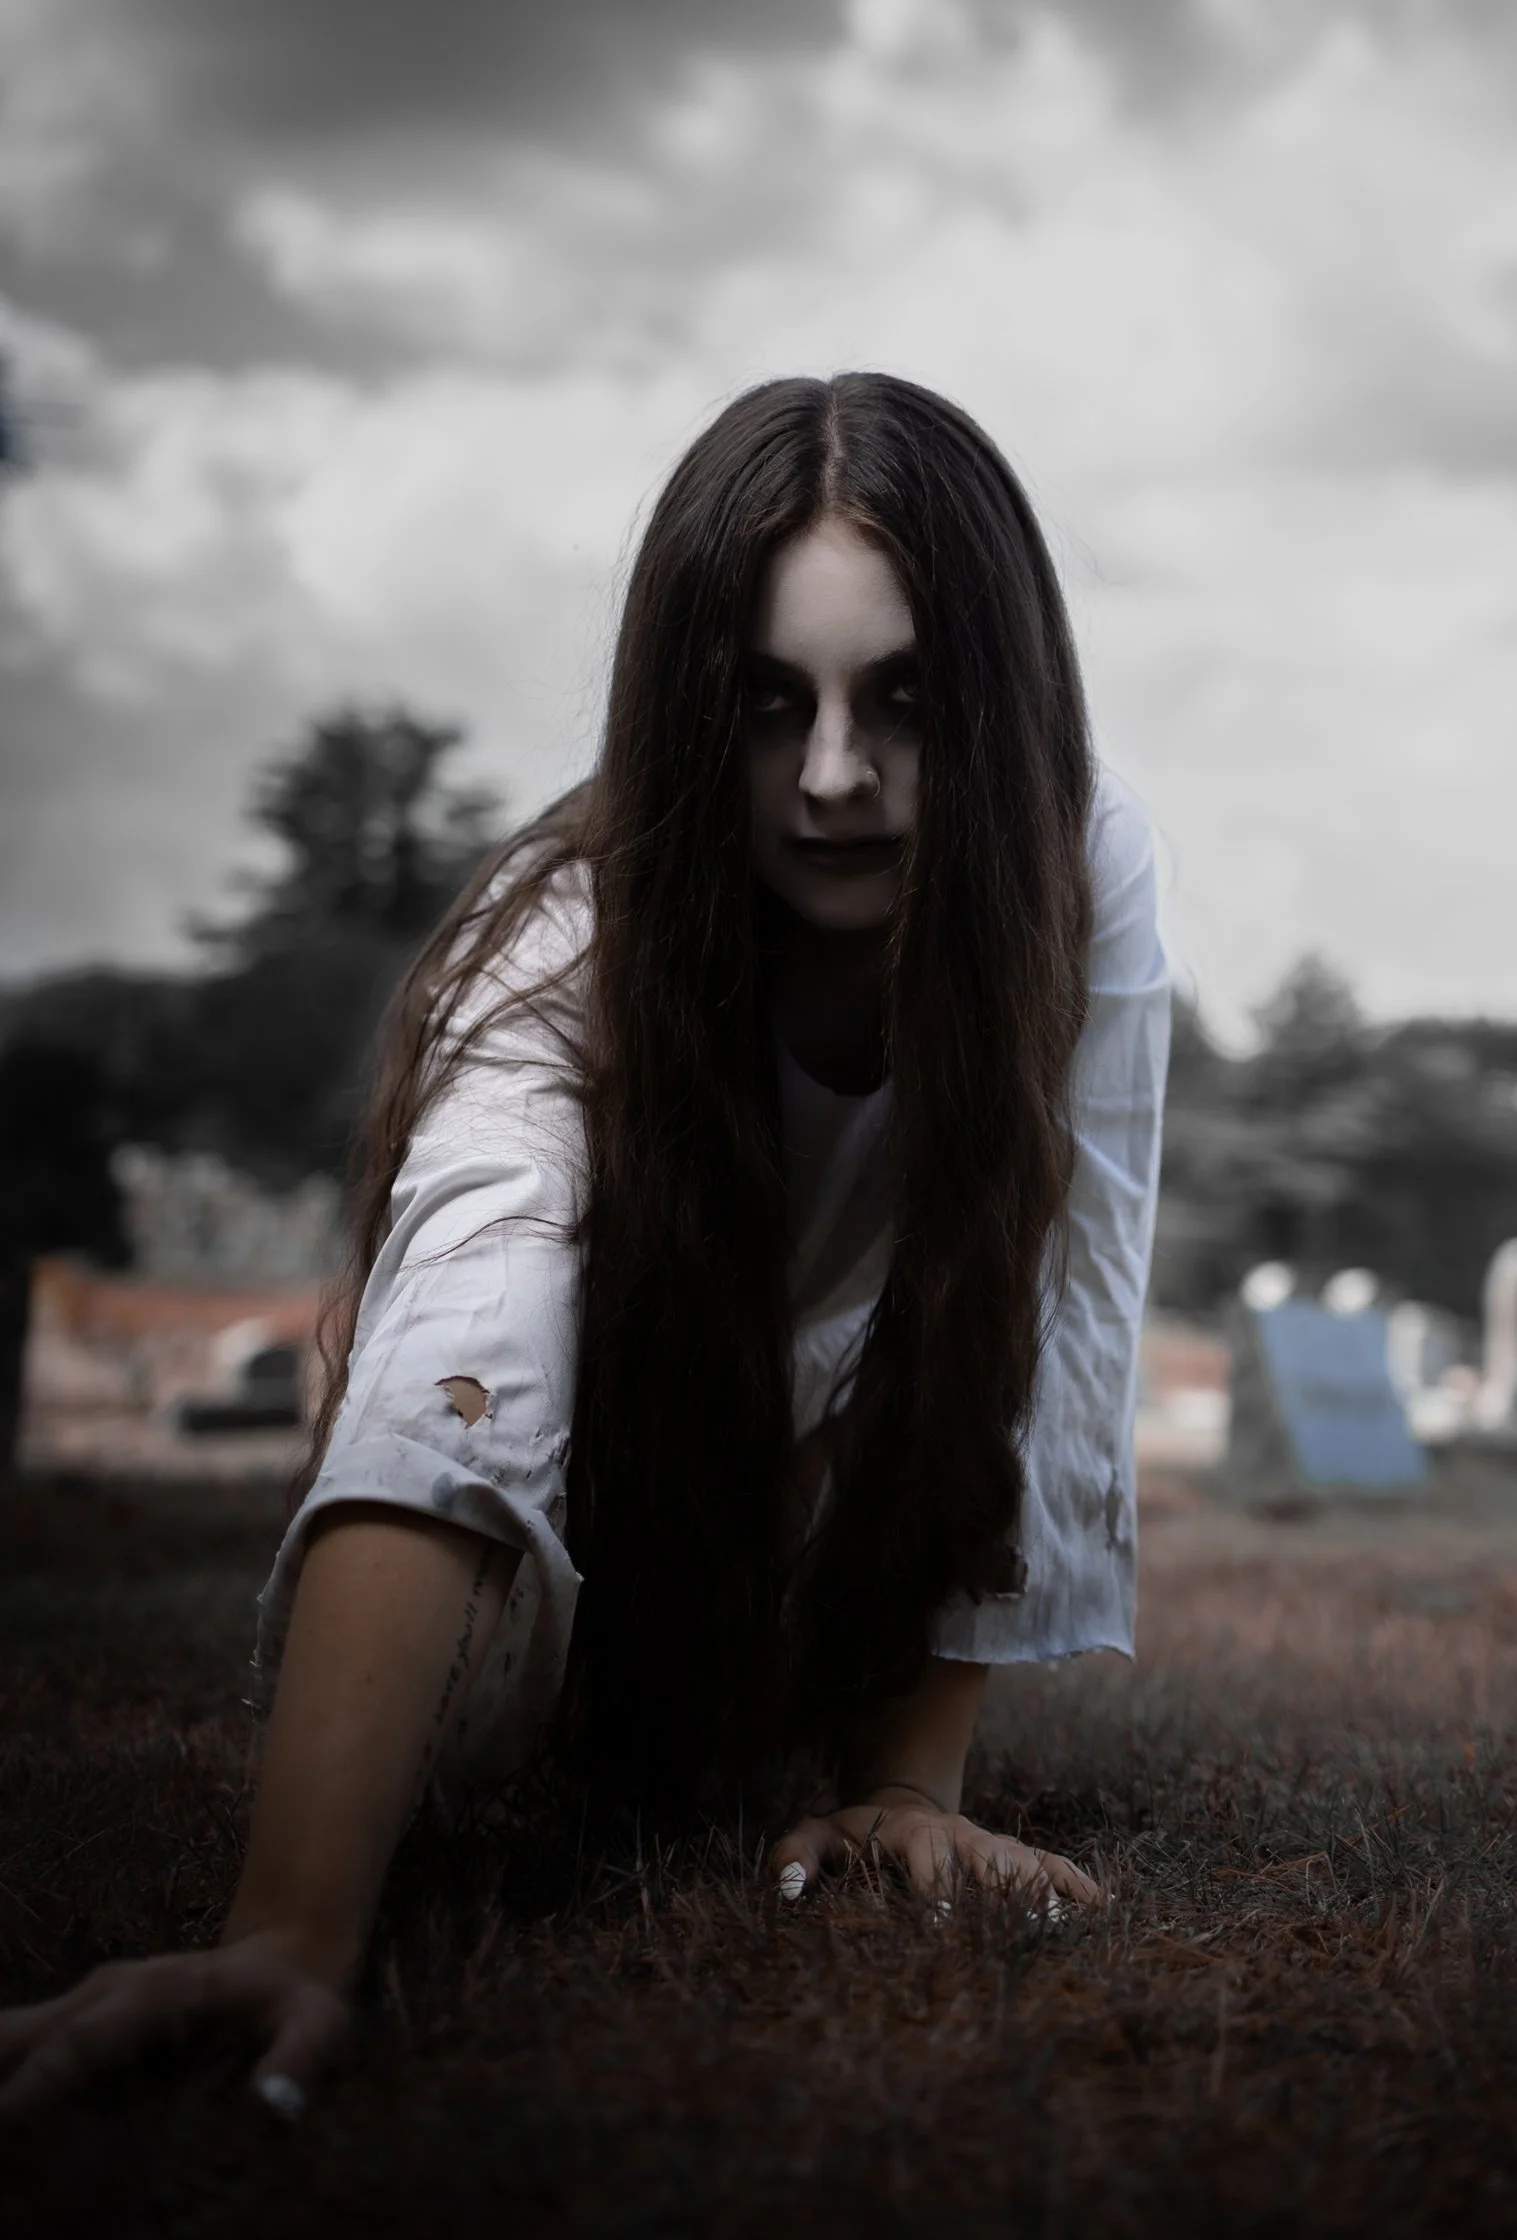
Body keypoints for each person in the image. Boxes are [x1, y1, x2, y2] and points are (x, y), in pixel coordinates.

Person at [0, 372, 1170, 2122]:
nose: (836, 777)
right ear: (694, 711)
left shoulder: (1078, 866)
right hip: (552, 1558)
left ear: (1003, 705)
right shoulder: (565, 938)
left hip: (807, 1537)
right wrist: (294, 1931)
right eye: (770, 706)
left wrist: (912, 1788)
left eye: (905, 701)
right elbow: (468, 1338)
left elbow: (1049, 1283)